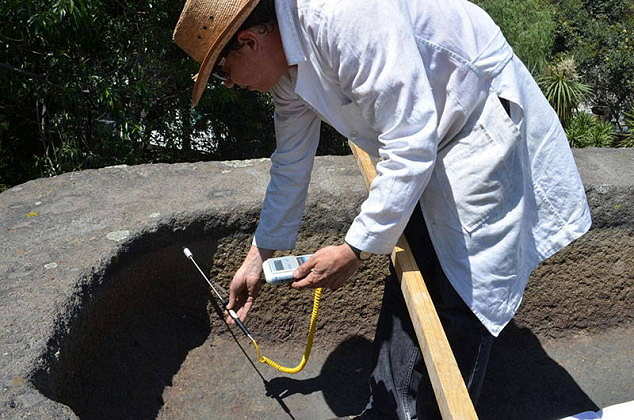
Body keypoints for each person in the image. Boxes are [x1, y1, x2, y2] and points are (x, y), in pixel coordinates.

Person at [173, 0, 592, 418]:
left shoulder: (345, 16)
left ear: (248, 41)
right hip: (422, 129)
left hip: (472, 116)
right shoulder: (284, 59)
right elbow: (291, 161)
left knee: (459, 291)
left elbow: (409, 144)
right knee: (416, 269)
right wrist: (259, 255)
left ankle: (430, 408)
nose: (229, 84)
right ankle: (394, 405)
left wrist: (354, 250)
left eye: (223, 72)